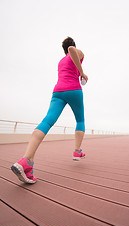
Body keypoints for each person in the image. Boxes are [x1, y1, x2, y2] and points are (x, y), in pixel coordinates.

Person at [11, 37, 88, 184]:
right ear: (72, 46)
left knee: (47, 121)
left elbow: (69, 57)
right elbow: (72, 51)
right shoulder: (76, 51)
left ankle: (26, 162)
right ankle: (77, 151)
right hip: (73, 90)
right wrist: (82, 73)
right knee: (80, 120)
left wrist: (79, 72)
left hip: (58, 91)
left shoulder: (60, 61)